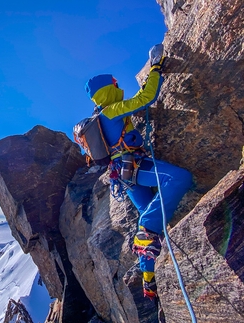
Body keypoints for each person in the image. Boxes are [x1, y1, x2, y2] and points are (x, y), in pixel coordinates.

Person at [84, 44, 193, 300]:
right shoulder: (112, 110)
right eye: (115, 83)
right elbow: (146, 99)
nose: (119, 86)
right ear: (109, 89)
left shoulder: (100, 116)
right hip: (135, 166)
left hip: (123, 176)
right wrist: (155, 68)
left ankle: (149, 279)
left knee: (148, 214)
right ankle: (149, 232)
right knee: (178, 179)